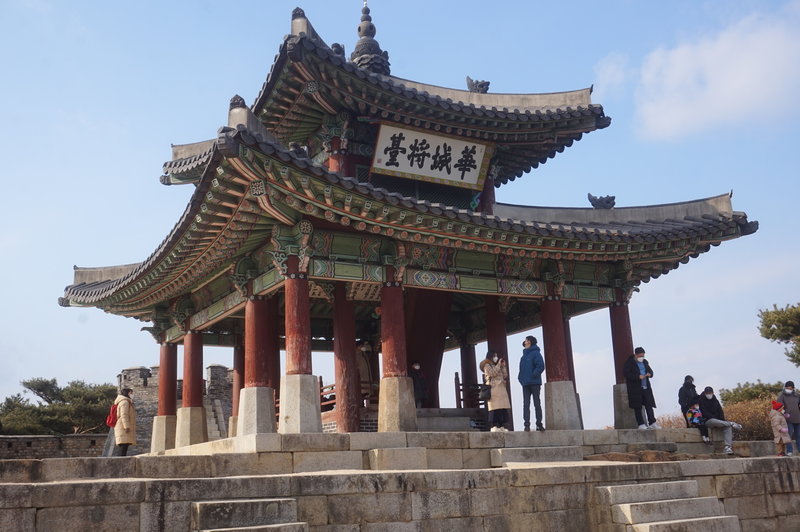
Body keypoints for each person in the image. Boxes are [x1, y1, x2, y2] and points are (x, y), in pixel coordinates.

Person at [697, 386, 741, 455]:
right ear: (705, 393)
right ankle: (731, 423)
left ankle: (727, 447)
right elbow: (705, 414)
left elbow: (720, 411)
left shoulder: (715, 400)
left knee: (727, 427)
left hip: (718, 421)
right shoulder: (701, 400)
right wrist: (716, 418)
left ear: (713, 393)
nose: (709, 394)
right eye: (707, 393)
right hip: (708, 421)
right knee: (713, 420)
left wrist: (721, 419)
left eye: (710, 393)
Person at [622, 347, 659, 429]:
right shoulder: (629, 363)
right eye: (640, 356)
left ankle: (652, 422)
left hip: (646, 387)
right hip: (635, 389)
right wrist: (637, 377)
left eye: (643, 356)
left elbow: (651, 371)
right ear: (636, 355)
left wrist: (650, 374)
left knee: (649, 405)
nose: (641, 357)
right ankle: (641, 424)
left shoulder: (645, 362)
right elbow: (626, 374)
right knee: (637, 406)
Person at [518, 335, 545, 432]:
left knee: (537, 403)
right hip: (525, 384)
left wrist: (534, 375)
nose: (525, 342)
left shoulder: (536, 354)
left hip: (535, 383)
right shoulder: (523, 357)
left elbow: (541, 366)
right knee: (526, 404)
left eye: (526, 340)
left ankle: (539, 424)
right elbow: (521, 370)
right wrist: (520, 379)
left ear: (530, 342)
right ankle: (526, 425)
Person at [482, 351, 511, 432]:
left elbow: (505, 375)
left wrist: (503, 366)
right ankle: (494, 425)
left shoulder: (498, 365)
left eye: (497, 355)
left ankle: (502, 425)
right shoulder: (486, 365)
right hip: (493, 388)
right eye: (494, 356)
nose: (496, 357)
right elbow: (492, 373)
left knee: (502, 408)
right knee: (494, 408)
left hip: (501, 388)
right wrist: (498, 365)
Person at [775, 380, 800, 454]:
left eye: (790, 388)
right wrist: (784, 413)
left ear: (793, 388)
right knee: (788, 436)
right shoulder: (782, 396)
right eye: (787, 388)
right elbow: (777, 407)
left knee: (798, 436)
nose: (789, 389)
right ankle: (789, 451)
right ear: (785, 387)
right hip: (787, 420)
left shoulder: (797, 395)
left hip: (798, 419)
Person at [112, 387, 136, 456]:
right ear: (128, 393)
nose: (132, 395)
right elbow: (124, 415)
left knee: (124, 447)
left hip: (122, 427)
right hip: (123, 428)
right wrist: (127, 426)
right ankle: (121, 464)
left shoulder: (126, 402)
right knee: (123, 448)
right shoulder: (124, 402)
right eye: (131, 393)